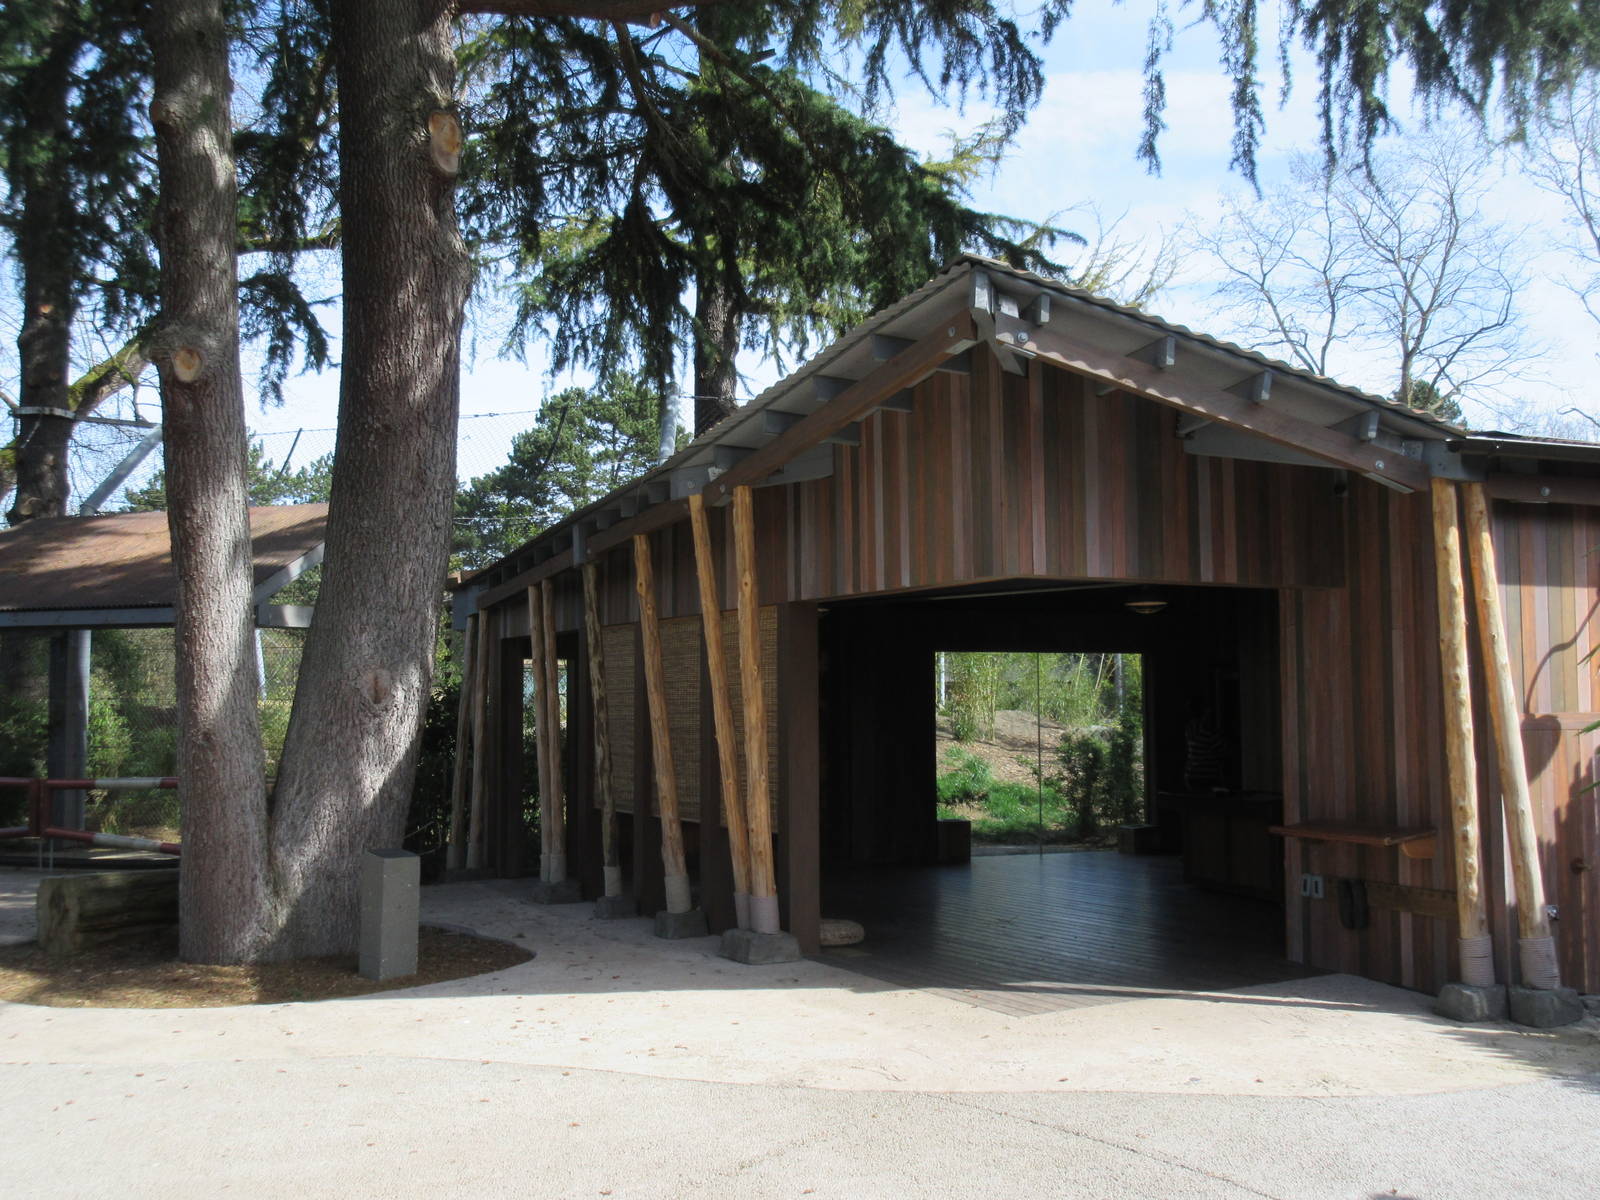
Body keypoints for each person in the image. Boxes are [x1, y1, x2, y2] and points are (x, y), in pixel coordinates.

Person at [1183, 699, 1227, 792]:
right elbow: (1222, 751)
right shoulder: (1207, 731)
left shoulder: (1189, 728)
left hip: (1191, 775)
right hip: (1206, 777)